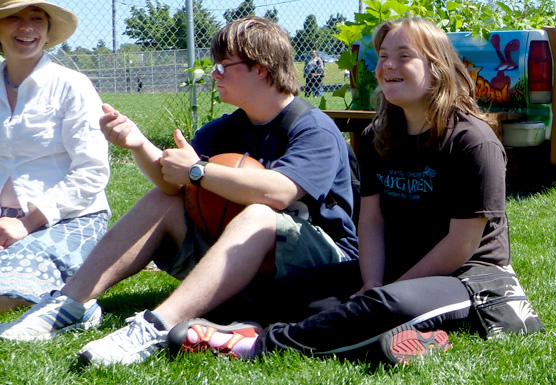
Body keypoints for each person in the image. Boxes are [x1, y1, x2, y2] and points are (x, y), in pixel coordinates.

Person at [167, 17, 544, 365]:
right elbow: (373, 222)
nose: (388, 66)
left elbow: (461, 245)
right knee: (288, 291)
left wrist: (388, 289)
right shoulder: (377, 138)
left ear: (437, 68)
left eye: (404, 56)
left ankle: (256, 345)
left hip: (468, 277)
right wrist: (371, 280)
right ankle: (410, 337)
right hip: (393, 271)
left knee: (385, 305)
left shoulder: (472, 141)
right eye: (382, 56)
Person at [0, 16, 358, 366]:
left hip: (319, 270)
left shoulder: (312, 127)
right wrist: (138, 143)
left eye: (224, 66)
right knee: (163, 199)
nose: (214, 74)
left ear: (261, 70)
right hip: (248, 260)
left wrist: (199, 171)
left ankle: (155, 326)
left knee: (261, 214)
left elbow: (280, 192)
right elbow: (175, 181)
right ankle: (70, 303)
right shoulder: (228, 127)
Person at [0, 0, 109, 313]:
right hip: (3, 222)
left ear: (47, 31)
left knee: (9, 287)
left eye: (36, 18)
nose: (26, 27)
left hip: (68, 218)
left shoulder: (72, 86)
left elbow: (92, 172)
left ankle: (70, 304)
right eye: (13, 18)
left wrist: (28, 222)